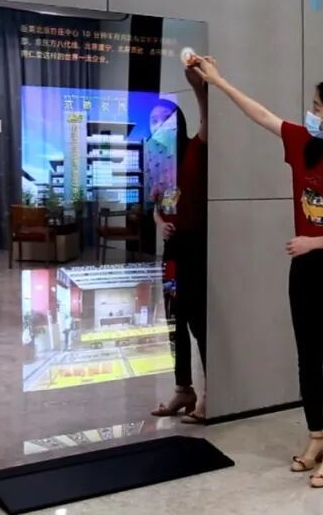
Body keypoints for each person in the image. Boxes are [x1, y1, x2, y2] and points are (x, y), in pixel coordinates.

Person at [189, 56, 323, 488]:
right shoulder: (304, 143)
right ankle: (316, 436)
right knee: (307, 357)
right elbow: (261, 115)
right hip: (306, 270)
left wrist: (314, 242)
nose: (310, 113)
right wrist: (219, 81)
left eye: (317, 107)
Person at [150, 64, 209, 424]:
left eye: (164, 121)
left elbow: (209, 122)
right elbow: (155, 208)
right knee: (174, 319)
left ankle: (211, 391)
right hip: (172, 251)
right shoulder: (159, 163)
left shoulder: (193, 151)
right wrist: (160, 223)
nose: (157, 127)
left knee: (198, 321)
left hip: (196, 248)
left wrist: (199, 88)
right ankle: (183, 388)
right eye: (153, 122)